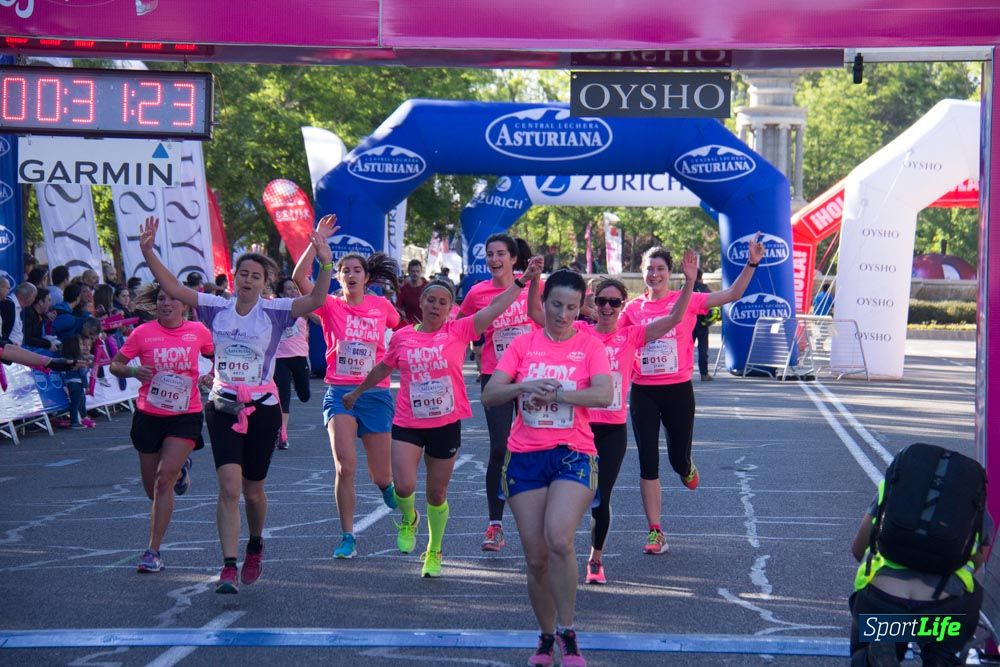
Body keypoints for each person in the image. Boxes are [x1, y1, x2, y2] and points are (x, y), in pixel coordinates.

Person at [139, 215, 333, 594]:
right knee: (228, 487)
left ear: (264, 283)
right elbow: (174, 288)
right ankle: (228, 565)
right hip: (223, 404)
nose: (247, 280)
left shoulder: (276, 311)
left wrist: (324, 261)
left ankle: (255, 545)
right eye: (242, 273)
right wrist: (148, 251)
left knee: (253, 490)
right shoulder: (215, 307)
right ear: (235, 277)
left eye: (255, 276)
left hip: (262, 407)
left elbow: (317, 299)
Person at [344, 257, 544, 578]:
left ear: (451, 309)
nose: (436, 306)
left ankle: (434, 549)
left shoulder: (459, 329)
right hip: (408, 422)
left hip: (445, 423)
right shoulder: (403, 337)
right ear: (421, 303)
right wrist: (357, 393)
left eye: (444, 302)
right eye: (431, 300)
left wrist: (521, 283)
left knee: (437, 493)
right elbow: (384, 367)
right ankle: (409, 518)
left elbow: (495, 309)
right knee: (405, 485)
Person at [529, 251, 698, 585]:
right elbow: (536, 313)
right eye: (602, 302)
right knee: (560, 494)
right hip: (576, 427)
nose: (607, 308)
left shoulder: (631, 336)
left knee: (599, 497)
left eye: (614, 303)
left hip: (612, 430)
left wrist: (690, 281)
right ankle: (551, 551)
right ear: (593, 303)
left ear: (623, 306)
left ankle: (596, 559)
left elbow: (674, 319)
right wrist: (535, 279)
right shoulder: (578, 331)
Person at [482, 269, 612, 667]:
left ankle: (568, 633)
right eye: (556, 304)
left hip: (573, 453)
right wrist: (523, 387)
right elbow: (490, 394)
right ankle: (544, 636)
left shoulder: (590, 346)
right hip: (525, 457)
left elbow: (605, 394)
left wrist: (560, 393)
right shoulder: (523, 345)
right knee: (536, 557)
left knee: (559, 538)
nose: (563, 314)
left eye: (572, 307)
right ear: (543, 303)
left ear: (580, 307)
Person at [620, 235, 764, 555]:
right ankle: (655, 530)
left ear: (669, 272)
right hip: (643, 390)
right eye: (649, 268)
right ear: (642, 272)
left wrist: (751, 262)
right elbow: (611, 337)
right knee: (647, 460)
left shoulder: (687, 298)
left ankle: (686, 466)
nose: (654, 274)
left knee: (676, 458)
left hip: (677, 390)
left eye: (660, 268)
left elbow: (733, 293)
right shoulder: (632, 309)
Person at [292, 214, 401, 560]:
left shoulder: (382, 306)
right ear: (337, 277)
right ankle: (348, 535)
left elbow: (399, 331)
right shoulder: (329, 305)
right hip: (340, 392)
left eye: (357, 270)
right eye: (345, 271)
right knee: (345, 466)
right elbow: (298, 279)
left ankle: (387, 487)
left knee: (380, 474)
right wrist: (316, 243)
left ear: (367, 278)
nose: (351, 274)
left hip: (377, 393)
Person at [849, 444, 990, 666]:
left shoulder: (891, 489)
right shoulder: (973, 503)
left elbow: (858, 548)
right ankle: (941, 655)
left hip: (883, 603)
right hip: (942, 612)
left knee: (876, 636)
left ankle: (876, 650)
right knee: (971, 585)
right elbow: (978, 560)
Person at [109, 283, 214, 573]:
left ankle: (153, 551)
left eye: (172, 299)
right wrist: (133, 370)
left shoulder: (199, 331)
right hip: (149, 415)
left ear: (184, 305)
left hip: (185, 413)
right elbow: (115, 365)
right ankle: (181, 470)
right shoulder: (142, 333)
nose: (166, 304)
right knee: (151, 490)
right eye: (161, 299)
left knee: (162, 480)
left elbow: (216, 355)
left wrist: (213, 375)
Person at [459, 233, 541, 552]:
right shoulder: (478, 293)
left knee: (536, 444)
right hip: (497, 376)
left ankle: (541, 516)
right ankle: (495, 524)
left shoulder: (534, 284)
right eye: (489, 254)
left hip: (534, 375)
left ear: (513, 258)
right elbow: (461, 326)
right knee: (500, 448)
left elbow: (555, 316)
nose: (494, 260)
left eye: (500, 254)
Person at [272, 277, 316, 451]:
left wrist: (309, 309)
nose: (292, 292)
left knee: (304, 395)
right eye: (288, 289)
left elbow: (320, 321)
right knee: (283, 397)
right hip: (279, 357)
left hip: (299, 357)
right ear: (281, 293)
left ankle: (299, 384)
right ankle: (282, 435)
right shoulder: (275, 307)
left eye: (295, 289)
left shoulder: (303, 308)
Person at [59, 317, 101, 429]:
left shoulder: (78, 355)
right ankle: (74, 422)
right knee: (76, 402)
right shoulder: (78, 358)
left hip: (73, 380)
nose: (86, 347)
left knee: (81, 401)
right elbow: (82, 372)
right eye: (84, 345)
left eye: (88, 344)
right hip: (76, 381)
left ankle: (83, 418)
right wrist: (87, 386)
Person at [692, 269, 714, 381]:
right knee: (702, 349)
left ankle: (681, 372)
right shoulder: (704, 288)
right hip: (702, 322)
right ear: (701, 276)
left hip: (688, 322)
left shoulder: (684, 287)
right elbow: (712, 303)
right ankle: (704, 374)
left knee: (685, 348)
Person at [22, 287, 56, 353]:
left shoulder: (40, 315)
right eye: (49, 300)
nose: (50, 303)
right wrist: (48, 344)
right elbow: (27, 339)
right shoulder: (28, 314)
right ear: (40, 302)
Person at [1, 281, 35, 345]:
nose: (34, 300)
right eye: (34, 296)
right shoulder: (8, 304)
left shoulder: (17, 306)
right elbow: (3, 333)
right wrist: (10, 344)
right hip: (8, 350)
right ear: (29, 296)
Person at [398, 259, 428, 326]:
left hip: (426, 326)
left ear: (421, 271)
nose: (415, 274)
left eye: (417, 271)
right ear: (409, 272)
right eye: (413, 271)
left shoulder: (428, 287)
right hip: (410, 326)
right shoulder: (404, 289)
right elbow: (399, 307)